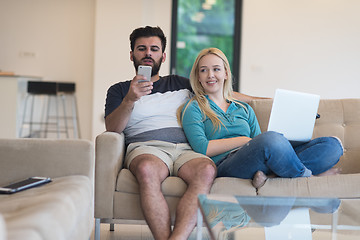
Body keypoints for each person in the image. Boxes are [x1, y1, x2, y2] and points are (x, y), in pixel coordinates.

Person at [104, 26, 257, 240]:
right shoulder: (119, 90)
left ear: (163, 56)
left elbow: (221, 92)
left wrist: (265, 101)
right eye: (142, 48)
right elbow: (112, 128)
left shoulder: (180, 83)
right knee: (147, 170)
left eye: (154, 49)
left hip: (186, 148)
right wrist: (130, 98)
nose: (148, 53)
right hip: (147, 148)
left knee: (206, 170)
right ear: (132, 54)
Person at [179, 47, 344, 189]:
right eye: (203, 70)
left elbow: (259, 140)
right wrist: (244, 140)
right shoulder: (193, 107)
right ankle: (307, 177)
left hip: (260, 161)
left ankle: (271, 178)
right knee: (271, 140)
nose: (210, 75)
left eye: (216, 69)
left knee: (332, 145)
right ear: (198, 77)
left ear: (226, 73)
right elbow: (203, 148)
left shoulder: (244, 108)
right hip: (227, 164)